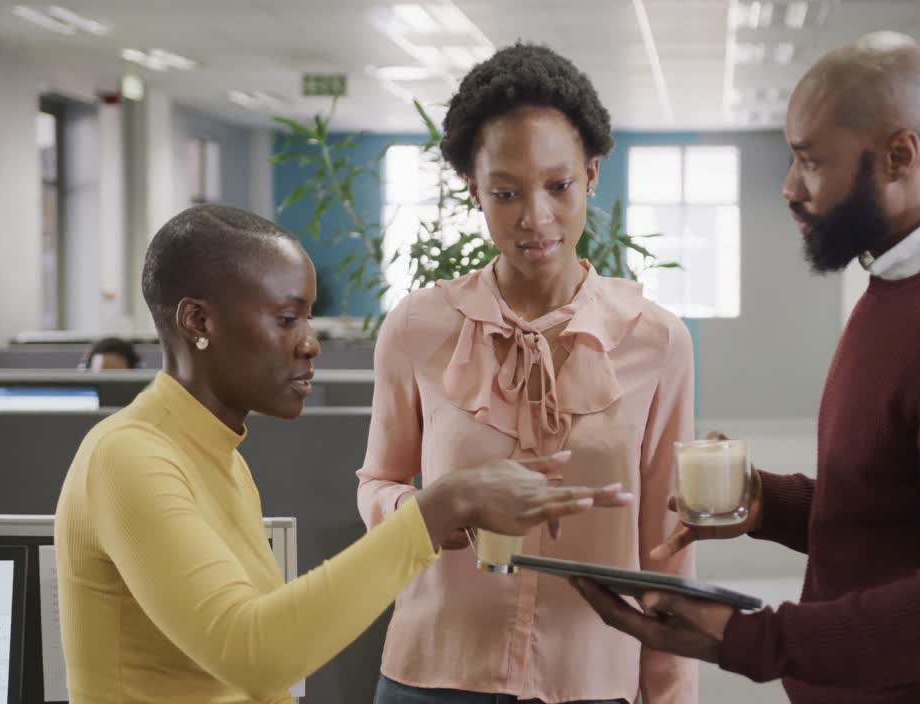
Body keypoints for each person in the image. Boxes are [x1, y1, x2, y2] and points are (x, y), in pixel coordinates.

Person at [573, 31, 920, 704]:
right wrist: (769, 503)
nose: (789, 187)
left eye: (811, 162)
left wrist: (751, 637)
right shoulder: (903, 286)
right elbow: (897, 519)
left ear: (900, 155)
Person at [54, 204, 632, 704]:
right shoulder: (129, 458)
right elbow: (254, 653)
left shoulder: (215, 455)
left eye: (307, 317)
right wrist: (438, 510)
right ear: (198, 321)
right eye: (286, 319)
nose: (311, 343)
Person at [357, 43, 697, 704]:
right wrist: (426, 510)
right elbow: (378, 482)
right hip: (435, 672)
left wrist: (671, 694)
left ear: (593, 174)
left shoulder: (657, 343)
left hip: (592, 677)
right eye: (506, 192)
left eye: (559, 186)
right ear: (473, 189)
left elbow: (668, 545)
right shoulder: (417, 330)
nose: (535, 217)